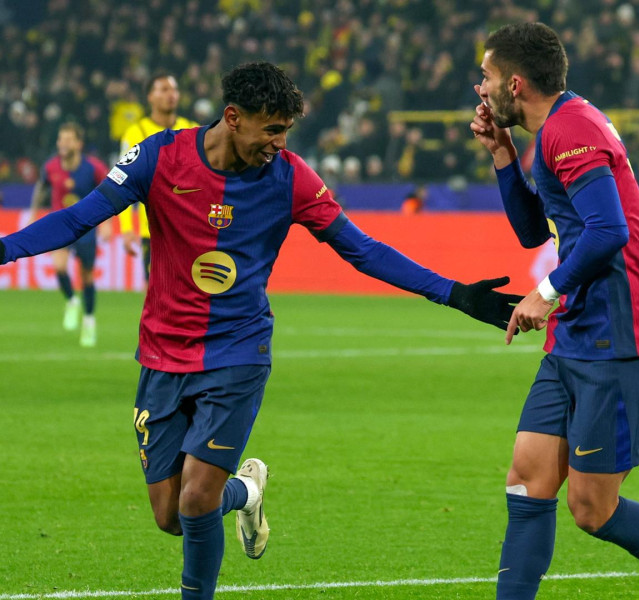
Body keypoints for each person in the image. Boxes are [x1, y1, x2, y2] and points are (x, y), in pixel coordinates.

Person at [0, 61, 522, 600]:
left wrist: (454, 293)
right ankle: (246, 490)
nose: (278, 143)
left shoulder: (292, 178)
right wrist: (5, 249)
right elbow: (79, 217)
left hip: (238, 353)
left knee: (196, 501)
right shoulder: (158, 157)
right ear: (233, 118)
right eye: (270, 129)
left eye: (285, 132)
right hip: (163, 354)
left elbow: (362, 250)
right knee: (169, 514)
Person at [470, 23, 639, 600]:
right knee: (528, 482)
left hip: (622, 340)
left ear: (514, 82)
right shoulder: (549, 133)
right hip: (576, 338)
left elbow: (608, 230)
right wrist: (504, 157)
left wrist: (546, 291)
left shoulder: (571, 129)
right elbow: (537, 228)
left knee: (591, 508)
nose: (480, 89)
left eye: (485, 77)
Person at [28, 121, 110, 347]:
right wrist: (34, 211)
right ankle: (72, 301)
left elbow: (111, 190)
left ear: (78, 143)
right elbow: (41, 186)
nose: (62, 143)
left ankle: (89, 322)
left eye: (67, 139)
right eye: (60, 139)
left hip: (86, 226)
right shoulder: (51, 166)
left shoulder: (93, 167)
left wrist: (108, 222)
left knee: (86, 277)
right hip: (61, 225)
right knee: (60, 266)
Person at [117, 73, 199, 287]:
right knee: (157, 295)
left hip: (189, 229)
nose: (170, 95)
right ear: (150, 97)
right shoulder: (136, 133)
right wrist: (126, 228)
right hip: (154, 231)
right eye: (163, 89)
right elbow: (123, 183)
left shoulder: (193, 129)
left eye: (173, 89)